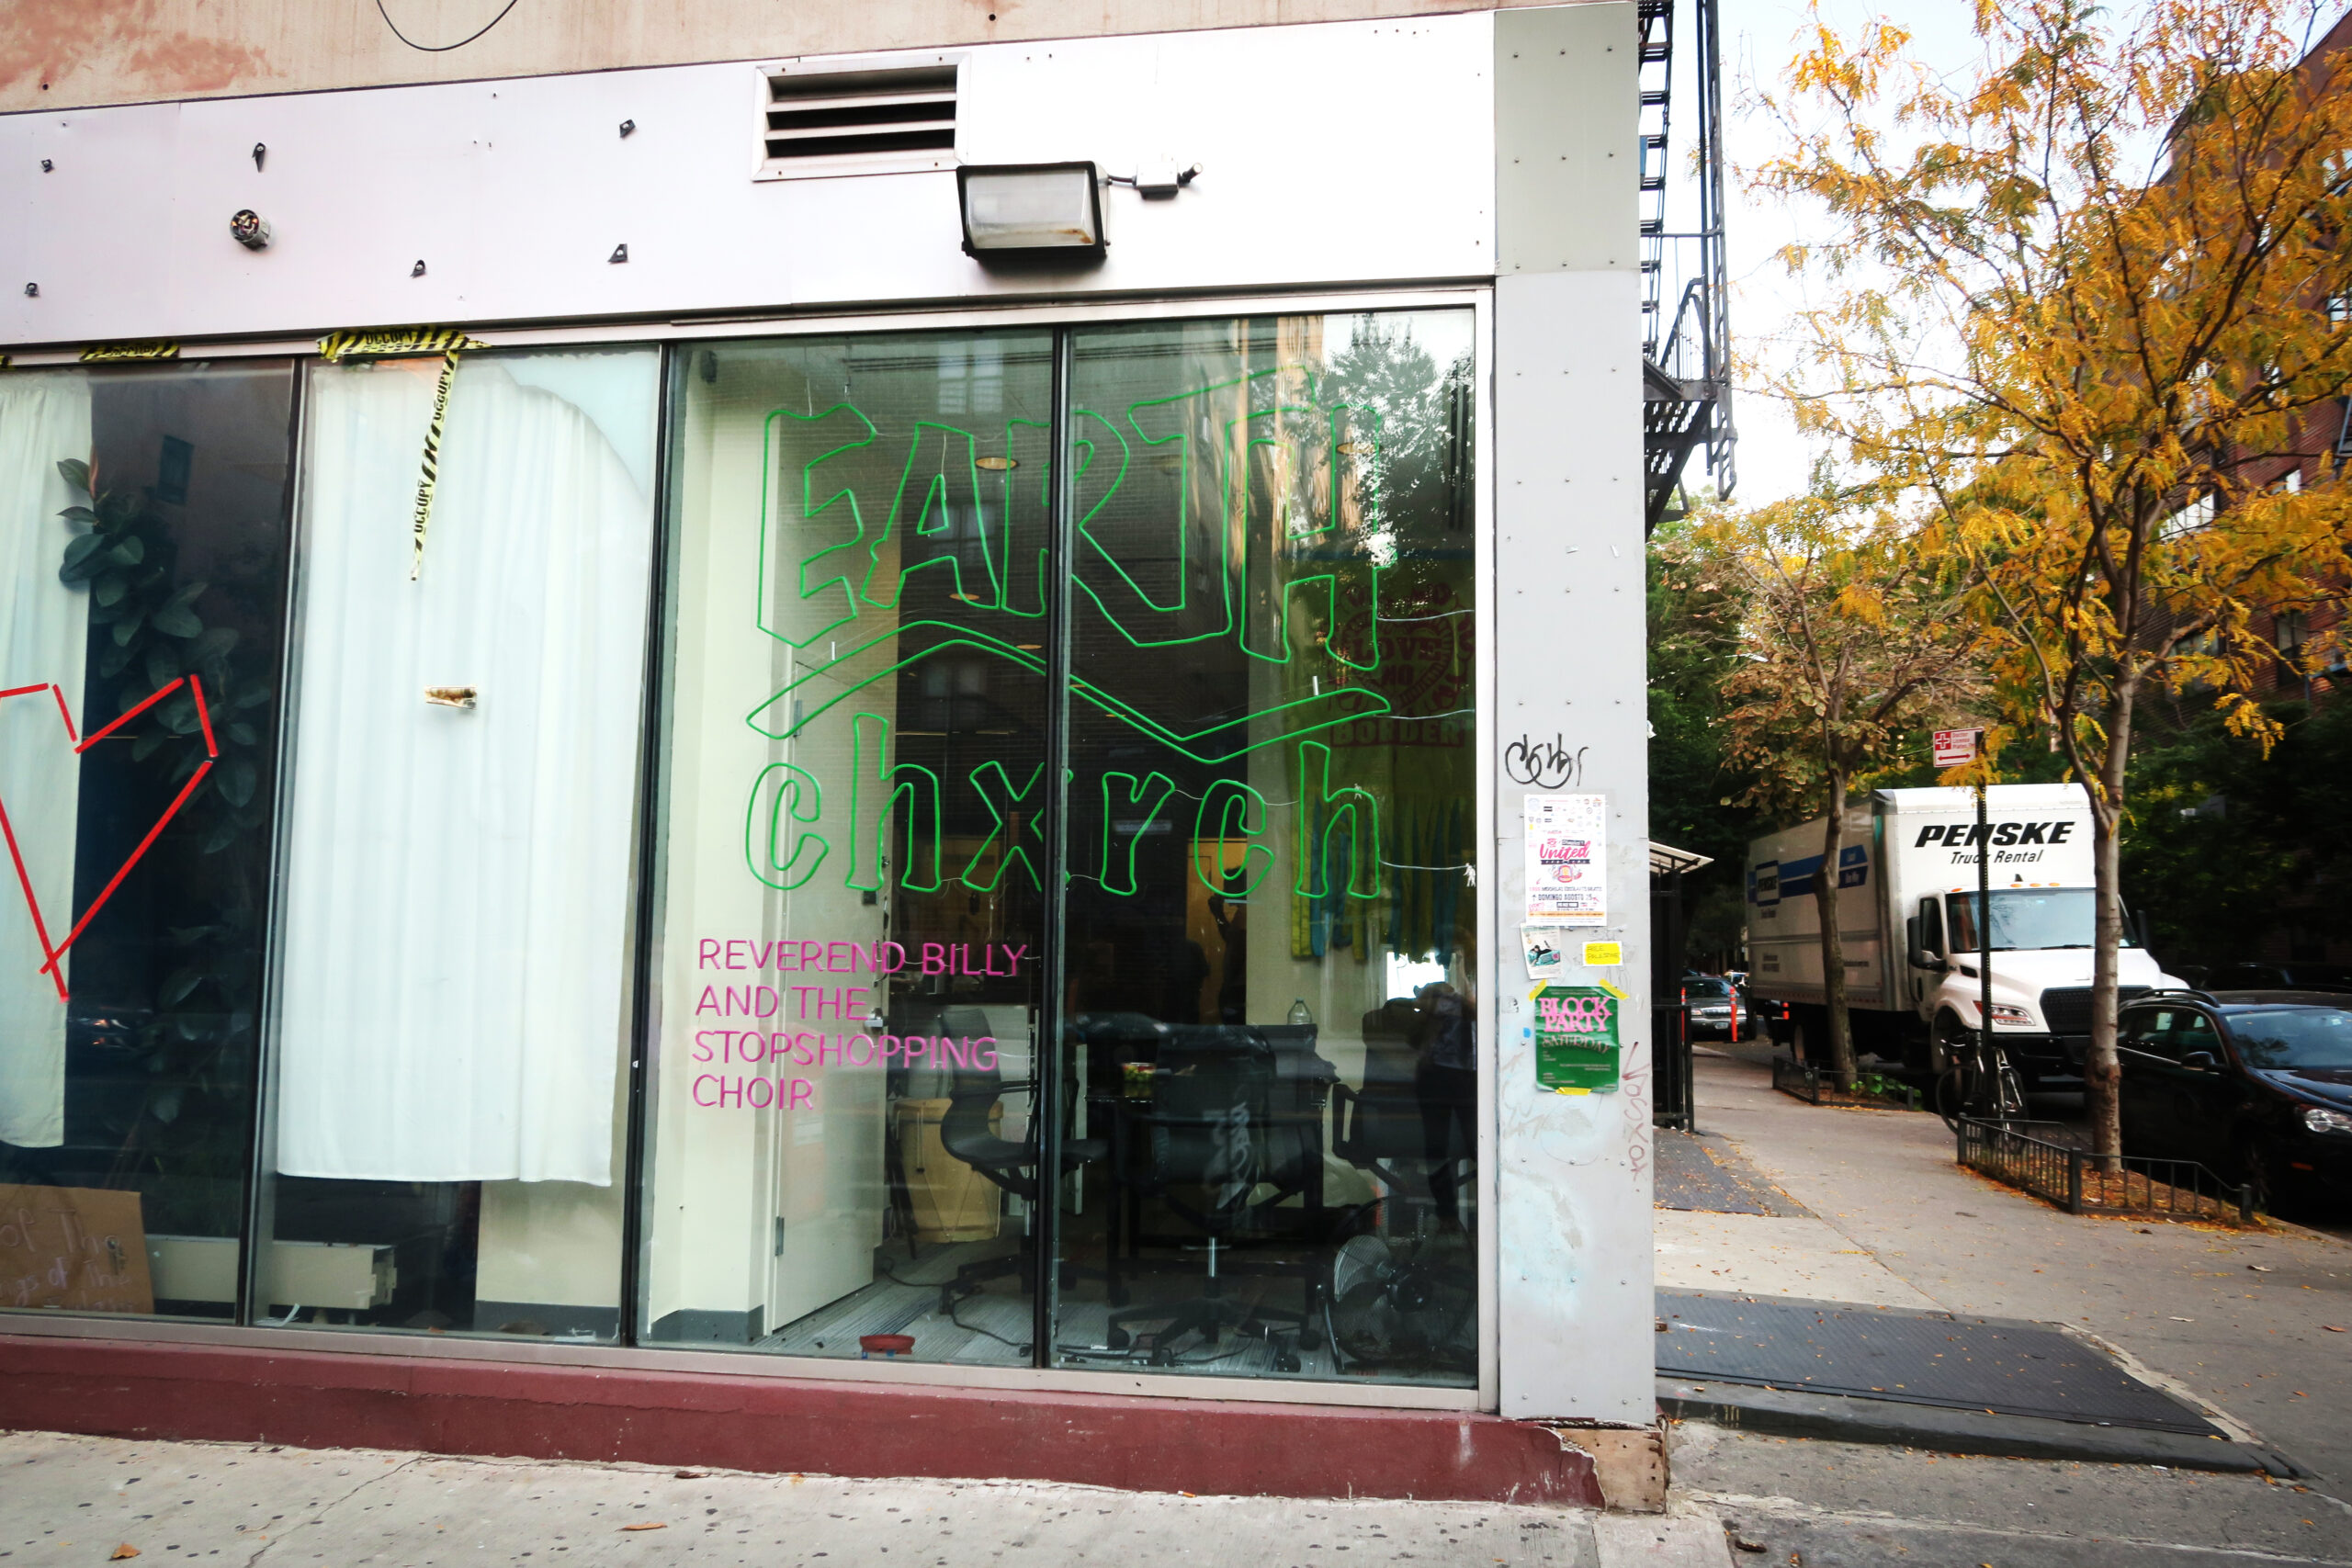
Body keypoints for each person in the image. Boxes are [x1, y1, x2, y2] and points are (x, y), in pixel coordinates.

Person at [1412, 979, 1476, 1229]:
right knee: (1436, 1147)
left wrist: (1467, 1002)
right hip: (1436, 1076)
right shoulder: (1432, 1011)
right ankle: (1446, 1214)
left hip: (1470, 1077)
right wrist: (1429, 1011)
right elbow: (1415, 1040)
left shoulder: (1474, 1004)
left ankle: (1497, 1209)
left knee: (1477, 1143)